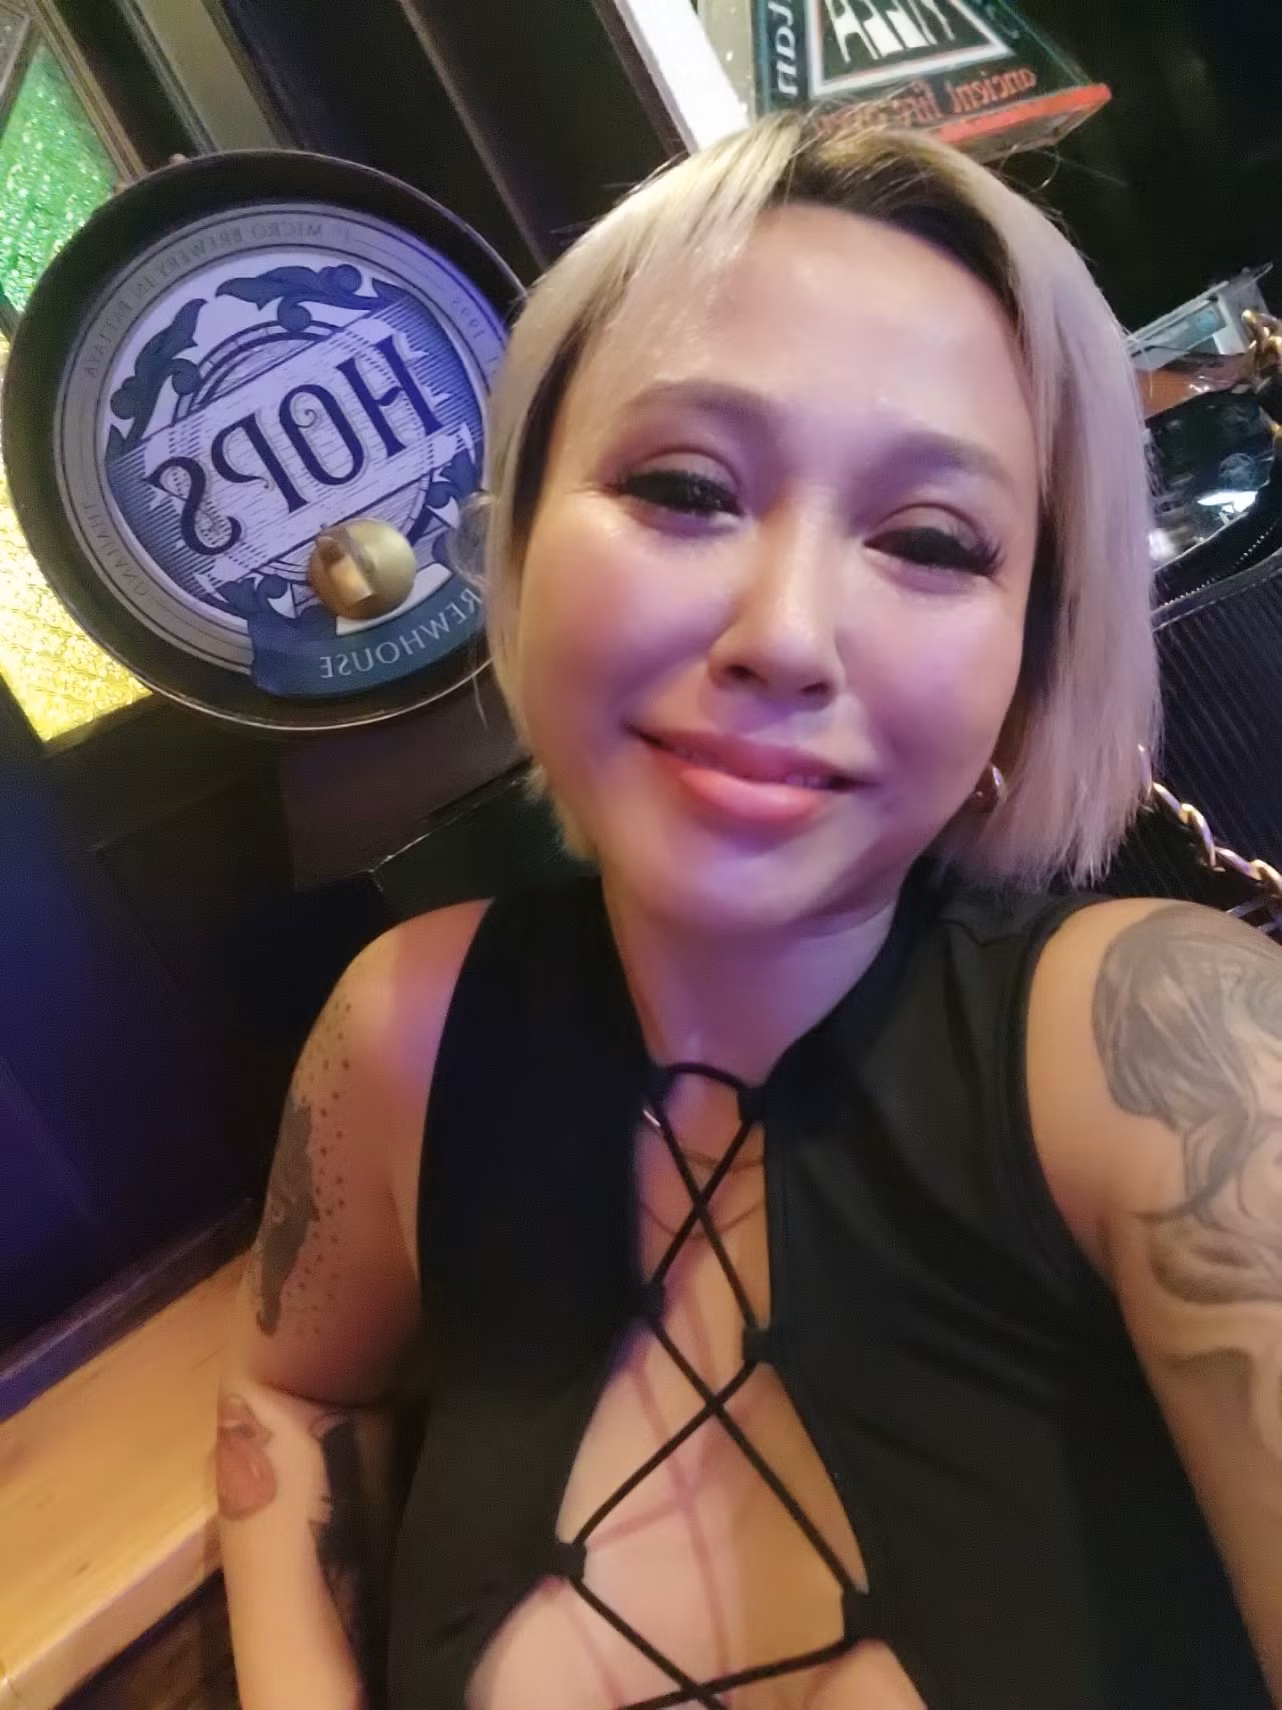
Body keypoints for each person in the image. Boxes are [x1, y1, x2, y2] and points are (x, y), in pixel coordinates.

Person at [217, 107, 1282, 1710]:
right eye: (682, 487)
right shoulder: (403, 1036)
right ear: (518, 538)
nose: (783, 633)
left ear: (1029, 651)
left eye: (929, 540)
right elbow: (286, 1392)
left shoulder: (1167, 1053)